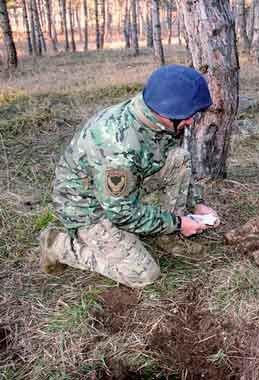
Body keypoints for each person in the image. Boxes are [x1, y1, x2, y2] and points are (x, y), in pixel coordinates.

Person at [39, 64, 219, 288]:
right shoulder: (119, 147)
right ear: (166, 111)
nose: (191, 121)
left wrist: (197, 203)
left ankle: (168, 237)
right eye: (188, 116)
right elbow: (122, 214)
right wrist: (177, 222)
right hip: (86, 206)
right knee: (143, 274)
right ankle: (59, 245)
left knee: (178, 159)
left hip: (118, 187)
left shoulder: (154, 114)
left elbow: (165, 159)